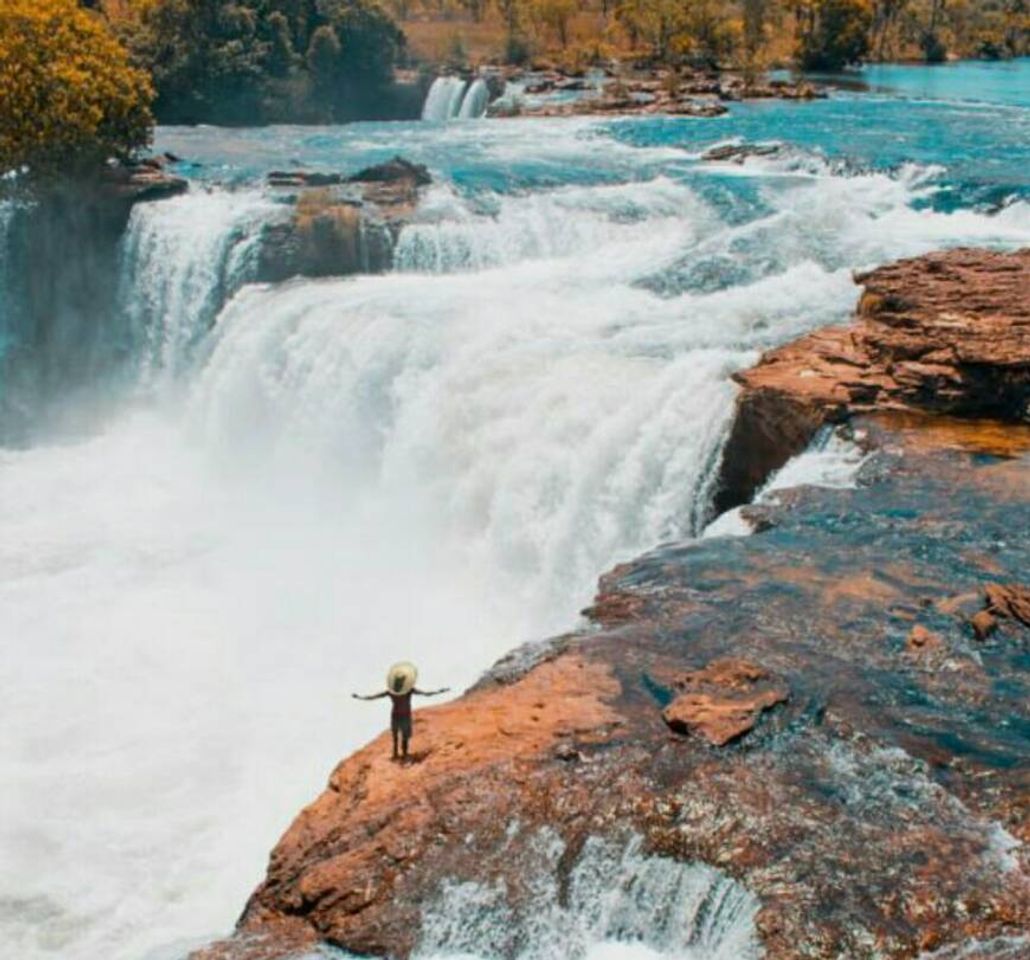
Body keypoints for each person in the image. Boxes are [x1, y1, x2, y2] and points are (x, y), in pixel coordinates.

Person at [352, 661, 449, 760]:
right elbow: (426, 694)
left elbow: (373, 697)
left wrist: (438, 691)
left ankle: (400, 754)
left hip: (398, 714)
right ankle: (400, 754)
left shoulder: (399, 691)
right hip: (402, 714)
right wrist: (361, 697)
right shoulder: (402, 691)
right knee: (400, 735)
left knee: (400, 735)